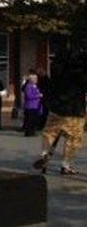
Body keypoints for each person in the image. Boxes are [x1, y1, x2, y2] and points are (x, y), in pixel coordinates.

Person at [34, 43, 87, 175]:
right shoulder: (79, 73)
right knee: (73, 138)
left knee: (51, 133)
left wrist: (42, 79)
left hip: (56, 109)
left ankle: (45, 155)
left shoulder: (57, 72)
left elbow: (48, 88)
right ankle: (66, 164)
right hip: (74, 110)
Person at [22, 71, 43, 137]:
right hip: (30, 106)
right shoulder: (28, 86)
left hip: (36, 105)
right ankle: (29, 133)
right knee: (30, 120)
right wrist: (38, 95)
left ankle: (33, 132)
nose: (36, 80)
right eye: (35, 79)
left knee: (34, 120)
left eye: (36, 79)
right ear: (31, 80)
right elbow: (29, 96)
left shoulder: (35, 86)